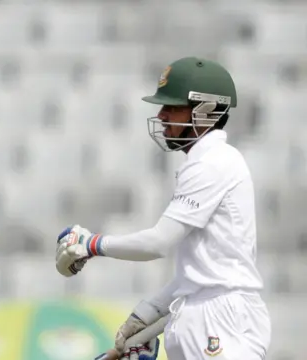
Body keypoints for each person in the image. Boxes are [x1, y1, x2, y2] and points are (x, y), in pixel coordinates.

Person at [55, 57, 271, 360]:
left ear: (205, 110)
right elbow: (202, 273)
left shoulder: (214, 163)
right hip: (203, 313)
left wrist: (91, 244)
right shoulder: (203, 162)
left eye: (172, 107)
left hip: (221, 321)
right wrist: (148, 311)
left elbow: (157, 243)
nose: (161, 115)